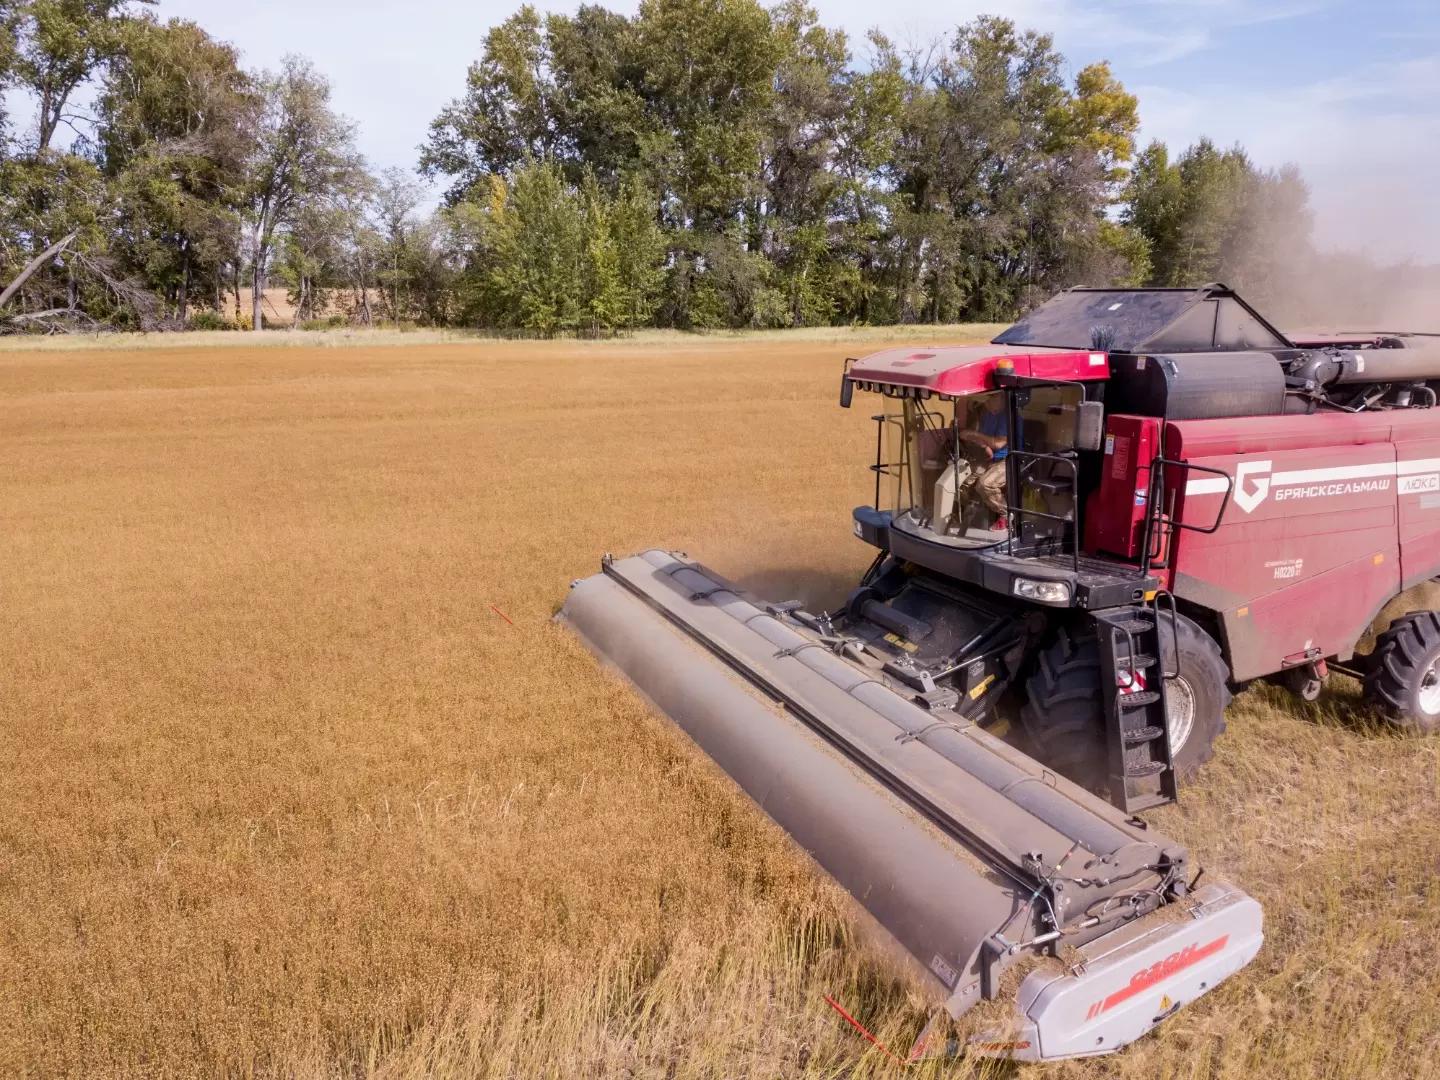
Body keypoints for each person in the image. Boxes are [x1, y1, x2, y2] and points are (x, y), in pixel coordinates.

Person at [957, 394, 1009, 528]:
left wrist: (973, 434)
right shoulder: (987, 415)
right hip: (988, 459)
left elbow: (997, 444)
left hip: (1009, 460)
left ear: (1001, 399)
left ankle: (1006, 515)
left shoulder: (1009, 416)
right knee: (960, 482)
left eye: (990, 399)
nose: (985, 403)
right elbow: (984, 440)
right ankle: (971, 513)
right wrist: (980, 443)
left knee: (985, 484)